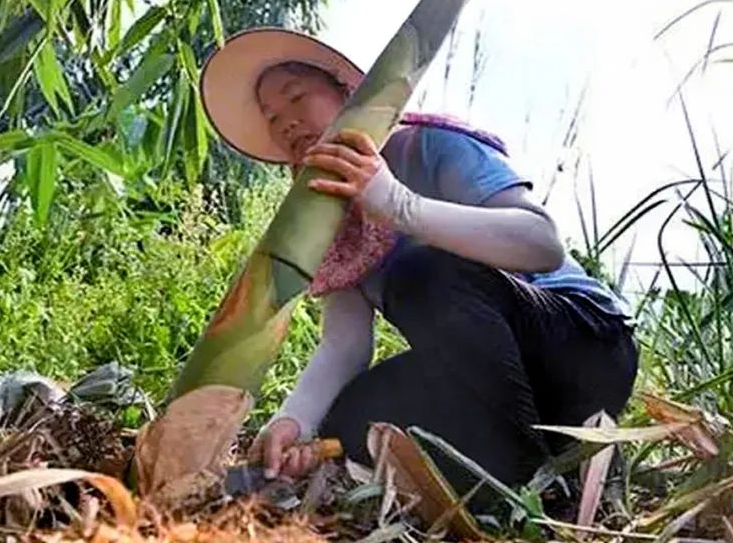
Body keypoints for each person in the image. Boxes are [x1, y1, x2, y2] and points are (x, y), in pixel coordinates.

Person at [199, 28, 638, 498]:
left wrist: (400, 205)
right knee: (351, 415)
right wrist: (296, 421)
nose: (285, 122)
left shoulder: (431, 146)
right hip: (497, 385)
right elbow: (345, 345)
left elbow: (541, 242)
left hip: (583, 347)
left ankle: (524, 488)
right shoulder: (334, 220)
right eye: (272, 116)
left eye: (296, 96)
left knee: (421, 274)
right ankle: (529, 459)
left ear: (349, 90)